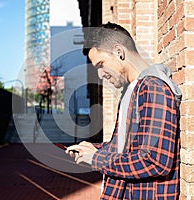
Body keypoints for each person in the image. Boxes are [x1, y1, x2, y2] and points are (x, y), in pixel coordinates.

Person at [65, 22, 182, 199]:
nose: (100, 74)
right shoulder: (131, 90)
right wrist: (94, 149)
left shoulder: (153, 87)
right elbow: (126, 147)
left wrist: (97, 158)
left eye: (101, 64)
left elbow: (155, 161)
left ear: (119, 52)